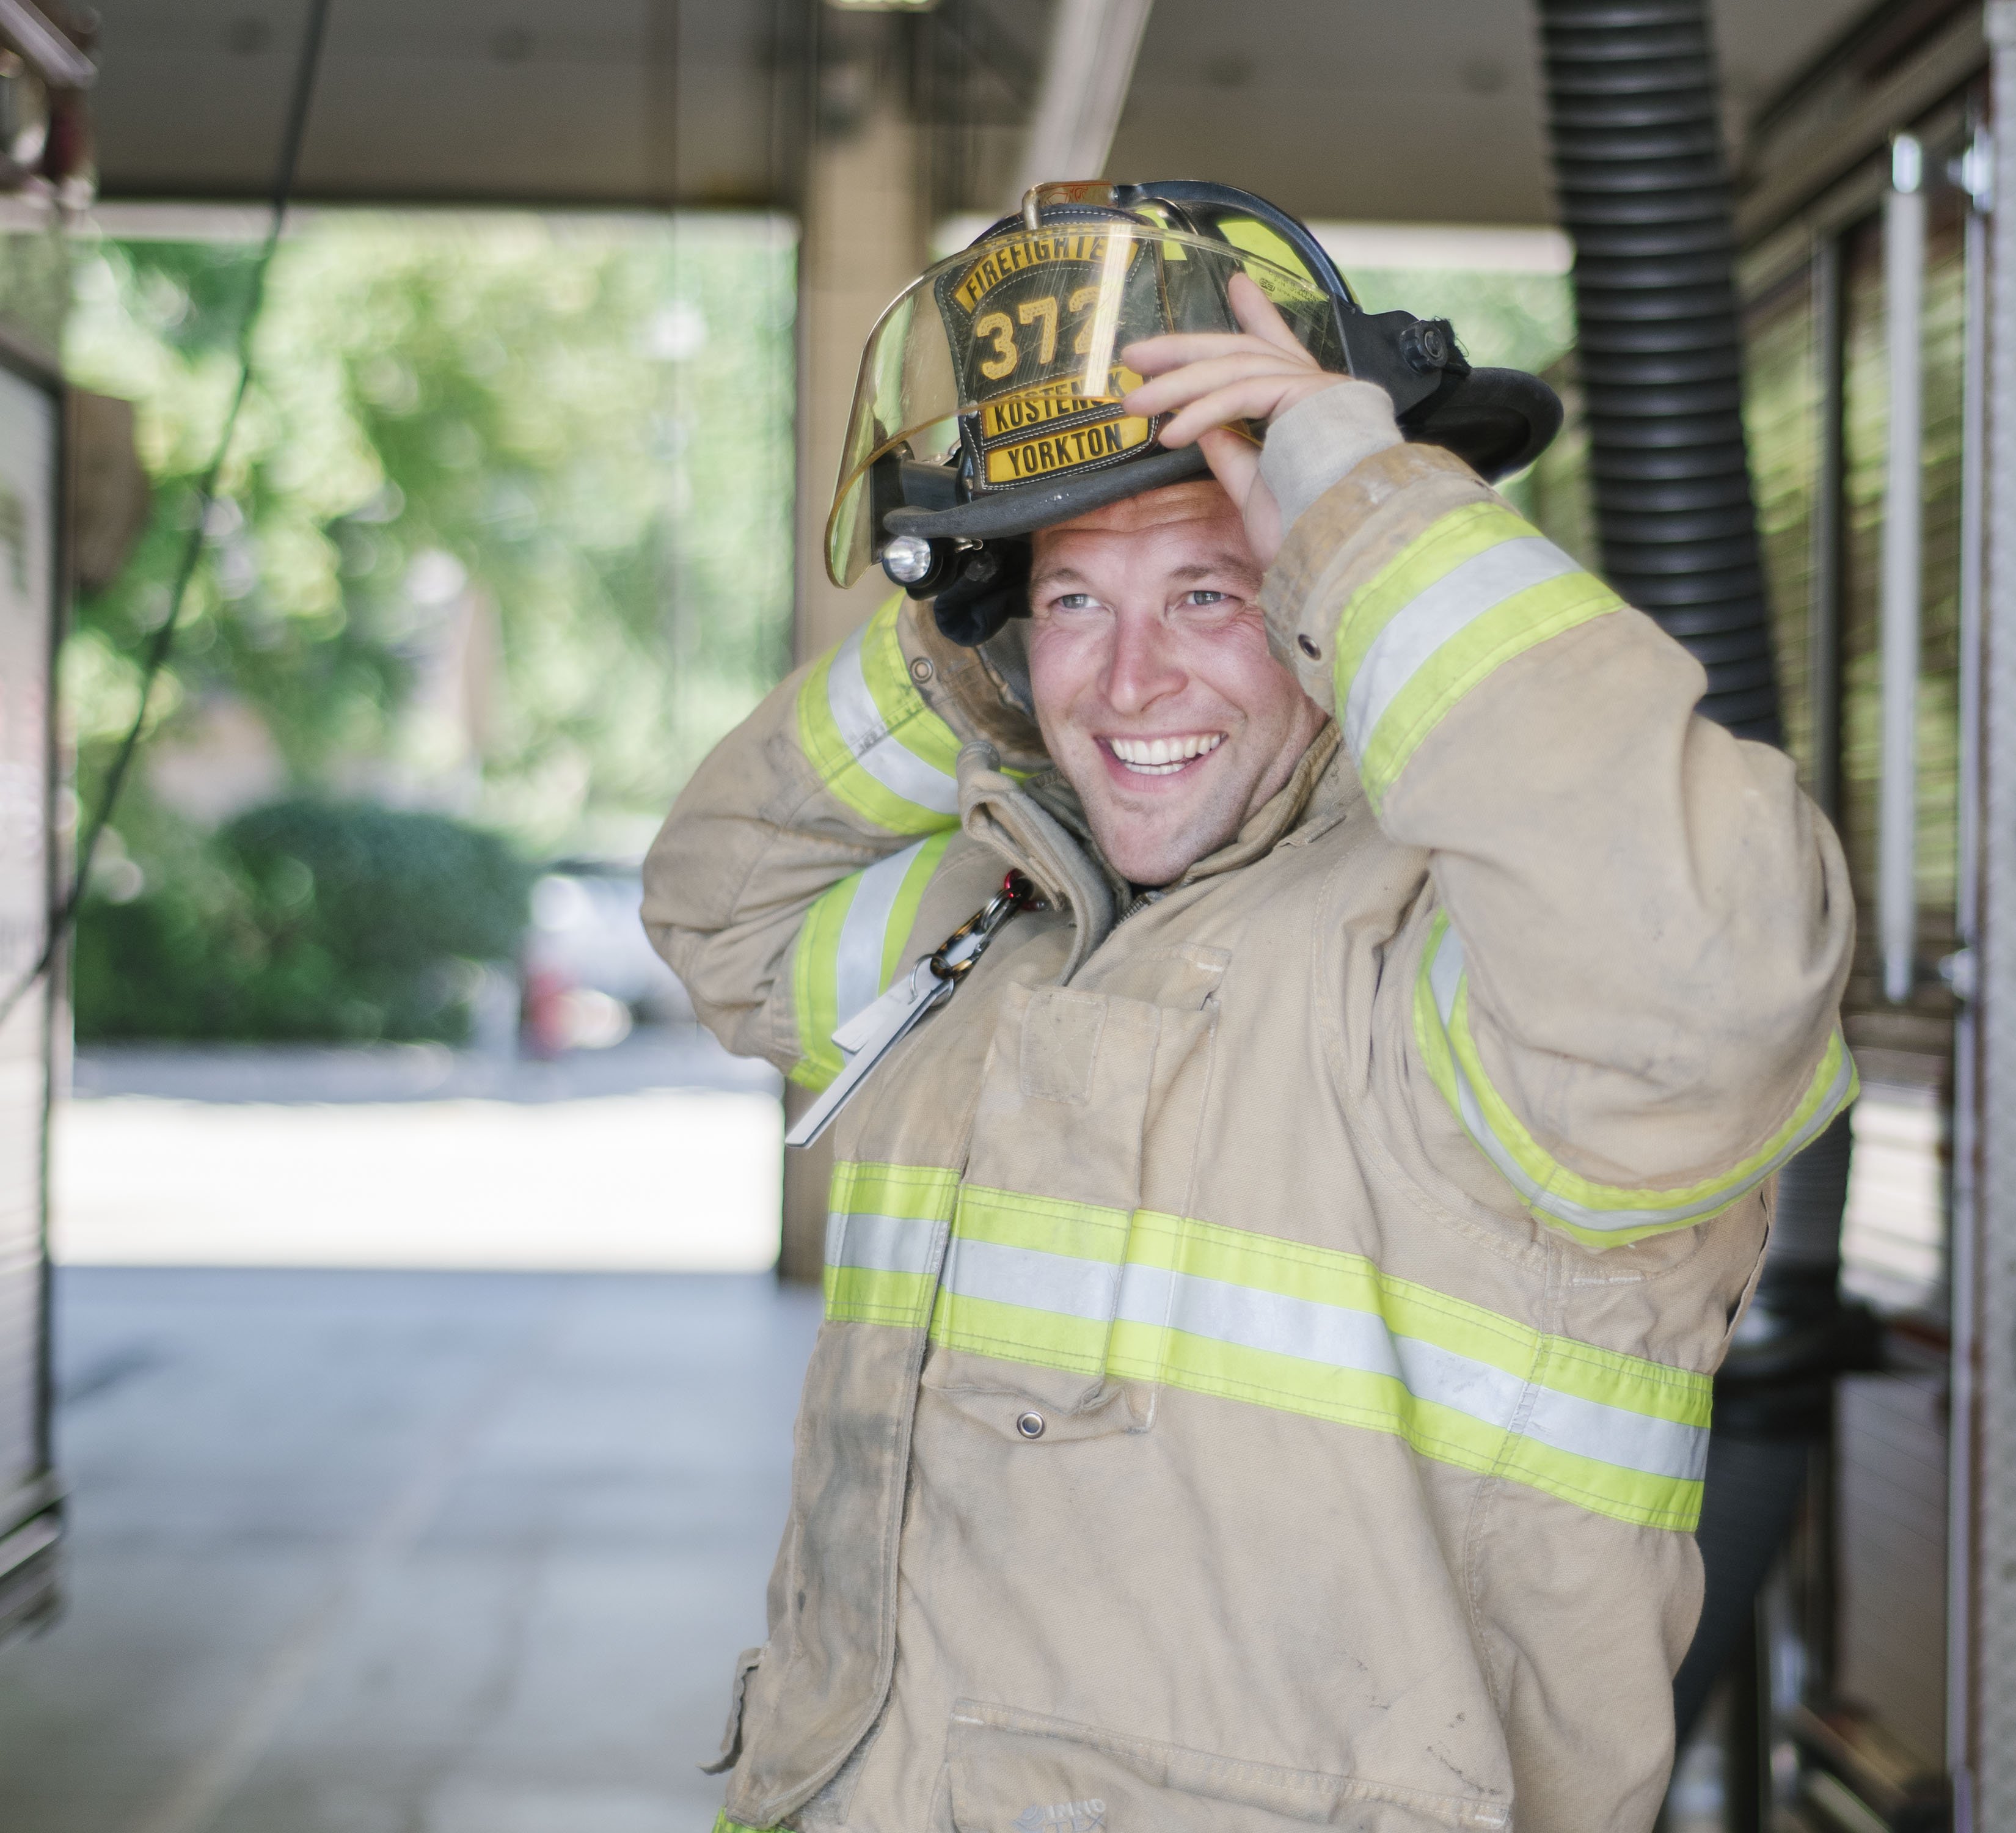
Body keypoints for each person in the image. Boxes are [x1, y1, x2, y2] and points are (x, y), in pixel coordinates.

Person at [644, 183, 1856, 1833]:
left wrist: (1359, 498)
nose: (1128, 681)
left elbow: (1705, 976)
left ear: (1319, 605)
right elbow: (721, 907)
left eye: (1208, 593)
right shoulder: (1015, 920)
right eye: (1075, 599)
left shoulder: (1463, 966)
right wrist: (957, 647)